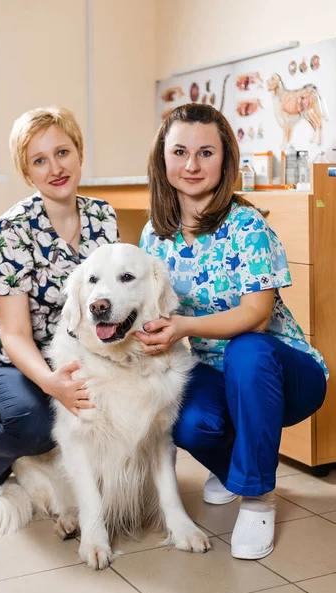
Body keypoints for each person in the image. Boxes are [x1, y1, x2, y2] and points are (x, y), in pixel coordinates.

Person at [136, 103, 327, 560]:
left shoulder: (246, 226)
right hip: (211, 371)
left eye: (206, 153)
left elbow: (257, 315)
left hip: (282, 371)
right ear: (163, 158)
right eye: (180, 151)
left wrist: (183, 325)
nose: (191, 165)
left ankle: (258, 499)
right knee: (187, 419)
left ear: (225, 162)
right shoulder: (153, 236)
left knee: (247, 351)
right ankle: (230, 469)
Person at [0, 106, 119, 505]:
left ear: (80, 152)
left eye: (63, 152)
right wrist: (52, 385)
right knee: (36, 422)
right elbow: (14, 334)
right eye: (39, 161)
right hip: (3, 361)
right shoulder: (11, 231)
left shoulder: (103, 216)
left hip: (69, 355)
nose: (55, 168)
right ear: (27, 173)